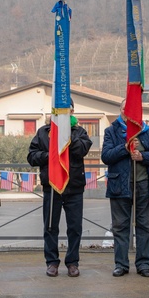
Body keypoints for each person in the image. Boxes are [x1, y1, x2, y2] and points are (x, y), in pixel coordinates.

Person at [26, 105, 93, 277]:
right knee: (50, 226)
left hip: (74, 186)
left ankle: (72, 262)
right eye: (59, 109)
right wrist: (49, 155)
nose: (64, 112)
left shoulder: (79, 132)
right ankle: (52, 262)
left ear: (72, 111)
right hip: (52, 186)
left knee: (75, 227)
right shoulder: (43, 132)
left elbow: (82, 150)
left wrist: (66, 134)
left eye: (67, 109)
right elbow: (32, 156)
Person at [101, 100, 149, 277]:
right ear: (120, 110)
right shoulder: (111, 131)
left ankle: (144, 264)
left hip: (144, 184)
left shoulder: (147, 132)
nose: (128, 112)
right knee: (120, 226)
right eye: (124, 109)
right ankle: (121, 264)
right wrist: (125, 148)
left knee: (145, 226)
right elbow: (106, 156)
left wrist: (142, 156)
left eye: (132, 109)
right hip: (119, 186)